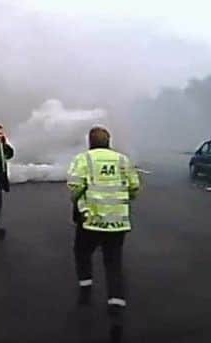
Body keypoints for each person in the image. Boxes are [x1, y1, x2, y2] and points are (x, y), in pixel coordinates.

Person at [67, 126, 140, 342]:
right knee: (113, 263)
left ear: (90, 141)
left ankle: (85, 289)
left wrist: (81, 201)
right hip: (117, 222)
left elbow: (74, 186)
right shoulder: (122, 160)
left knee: (82, 252)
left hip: (91, 220)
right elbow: (134, 186)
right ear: (109, 141)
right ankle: (116, 305)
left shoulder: (83, 159)